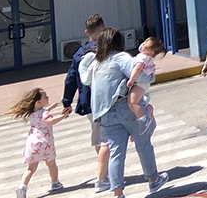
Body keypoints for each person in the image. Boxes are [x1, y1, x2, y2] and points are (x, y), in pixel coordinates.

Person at [88, 28, 169, 198]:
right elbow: (141, 76)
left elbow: (89, 83)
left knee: (116, 152)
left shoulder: (96, 63)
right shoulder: (121, 57)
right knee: (143, 143)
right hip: (126, 107)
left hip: (105, 112)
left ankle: (118, 192)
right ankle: (153, 180)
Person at [60, 13, 110, 193]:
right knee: (108, 139)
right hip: (109, 99)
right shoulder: (109, 47)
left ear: (87, 32)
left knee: (99, 137)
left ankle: (106, 172)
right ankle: (103, 178)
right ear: (104, 28)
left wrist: (66, 102)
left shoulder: (79, 54)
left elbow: (71, 78)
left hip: (89, 102)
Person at [10, 87, 68, 198]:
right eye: (45, 97)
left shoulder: (33, 113)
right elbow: (49, 121)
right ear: (39, 102)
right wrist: (63, 116)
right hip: (45, 143)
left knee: (31, 168)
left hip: (33, 143)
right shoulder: (44, 114)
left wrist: (50, 108)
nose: (48, 97)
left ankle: (22, 187)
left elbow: (41, 114)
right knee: (51, 164)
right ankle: (55, 182)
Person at [126, 37, 164, 132]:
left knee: (132, 102)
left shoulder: (143, 57)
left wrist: (131, 79)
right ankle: (147, 108)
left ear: (151, 51)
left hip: (140, 84)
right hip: (143, 84)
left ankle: (144, 121)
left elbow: (138, 68)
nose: (142, 47)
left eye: (145, 47)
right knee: (137, 102)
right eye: (143, 44)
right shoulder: (148, 57)